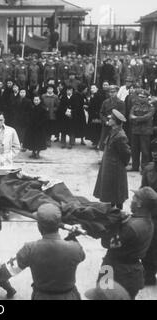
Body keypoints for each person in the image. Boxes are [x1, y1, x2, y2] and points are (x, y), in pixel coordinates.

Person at [0, 203, 85, 300]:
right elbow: (78, 254)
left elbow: (3, 272)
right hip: (70, 296)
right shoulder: (75, 248)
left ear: (39, 226)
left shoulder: (30, 249)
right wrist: (72, 236)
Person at [98, 187, 156, 299]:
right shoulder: (149, 222)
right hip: (134, 273)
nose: (131, 200)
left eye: (135, 197)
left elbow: (106, 243)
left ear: (139, 204)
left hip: (115, 271)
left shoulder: (130, 227)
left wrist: (113, 225)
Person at [94, 109, 131, 210]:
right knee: (111, 192)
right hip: (109, 167)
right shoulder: (113, 132)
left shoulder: (120, 136)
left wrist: (121, 164)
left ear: (115, 121)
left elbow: (126, 153)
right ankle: (112, 211)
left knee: (117, 193)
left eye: (110, 119)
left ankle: (118, 214)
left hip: (115, 168)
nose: (108, 120)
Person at [140, 138, 157, 285]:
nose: (155, 154)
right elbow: (142, 190)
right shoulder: (148, 169)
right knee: (148, 246)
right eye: (153, 151)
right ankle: (149, 274)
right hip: (150, 214)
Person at [128, 89, 155, 172]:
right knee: (134, 149)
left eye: (143, 97)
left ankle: (144, 168)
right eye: (140, 97)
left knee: (145, 150)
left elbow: (147, 117)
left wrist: (136, 118)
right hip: (135, 131)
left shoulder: (151, 107)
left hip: (145, 131)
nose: (141, 98)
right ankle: (134, 166)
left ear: (147, 98)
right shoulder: (134, 106)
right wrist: (138, 118)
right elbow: (130, 116)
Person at [98, 85, 126, 150]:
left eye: (114, 92)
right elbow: (101, 113)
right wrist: (106, 121)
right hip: (106, 125)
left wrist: (113, 118)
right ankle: (104, 159)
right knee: (104, 143)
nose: (112, 94)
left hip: (115, 126)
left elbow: (122, 114)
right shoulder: (105, 102)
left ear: (117, 92)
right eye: (110, 92)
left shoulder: (121, 103)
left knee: (114, 144)